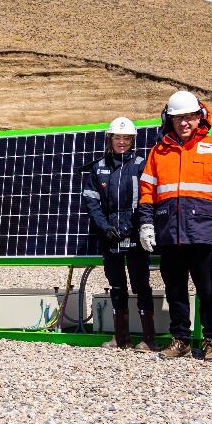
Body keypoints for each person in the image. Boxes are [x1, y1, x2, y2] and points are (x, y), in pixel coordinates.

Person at [136, 92, 212, 364]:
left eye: (189, 117)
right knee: (175, 289)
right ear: (170, 119)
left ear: (199, 117)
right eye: (178, 118)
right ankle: (181, 340)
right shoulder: (159, 152)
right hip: (169, 232)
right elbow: (147, 191)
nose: (184, 123)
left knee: (208, 290)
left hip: (203, 232)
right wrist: (146, 223)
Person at [83, 117, 156, 352]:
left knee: (141, 285)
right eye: (117, 137)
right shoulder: (99, 167)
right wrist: (106, 228)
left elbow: (146, 200)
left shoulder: (141, 165)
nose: (122, 142)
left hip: (135, 235)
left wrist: (131, 227)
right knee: (116, 286)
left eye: (126, 138)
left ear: (133, 140)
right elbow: (92, 204)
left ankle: (148, 338)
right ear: (110, 139)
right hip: (109, 237)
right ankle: (120, 337)